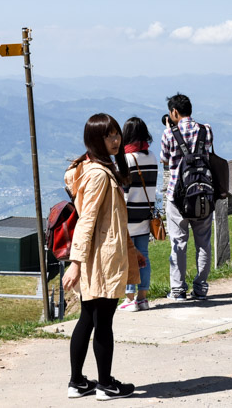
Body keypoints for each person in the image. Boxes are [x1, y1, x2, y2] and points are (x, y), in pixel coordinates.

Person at [62, 113, 143, 401]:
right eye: (108, 136)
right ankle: (106, 384)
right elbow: (87, 221)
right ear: (95, 140)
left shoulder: (98, 168)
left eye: (116, 134)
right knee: (103, 322)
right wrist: (75, 263)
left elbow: (113, 221)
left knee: (87, 319)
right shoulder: (97, 175)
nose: (116, 140)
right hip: (101, 259)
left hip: (102, 255)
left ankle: (76, 382)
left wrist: (132, 253)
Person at [160, 93, 214, 300]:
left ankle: (178, 290)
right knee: (203, 242)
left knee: (178, 242)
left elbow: (165, 159)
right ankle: (200, 288)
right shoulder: (206, 130)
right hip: (203, 194)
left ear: (174, 112)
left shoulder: (168, 134)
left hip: (178, 196)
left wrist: (168, 130)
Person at [118, 116, 159, 312]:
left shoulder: (126, 159)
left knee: (128, 257)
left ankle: (129, 297)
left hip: (128, 216)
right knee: (144, 257)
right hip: (145, 214)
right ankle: (143, 299)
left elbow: (122, 191)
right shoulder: (151, 156)